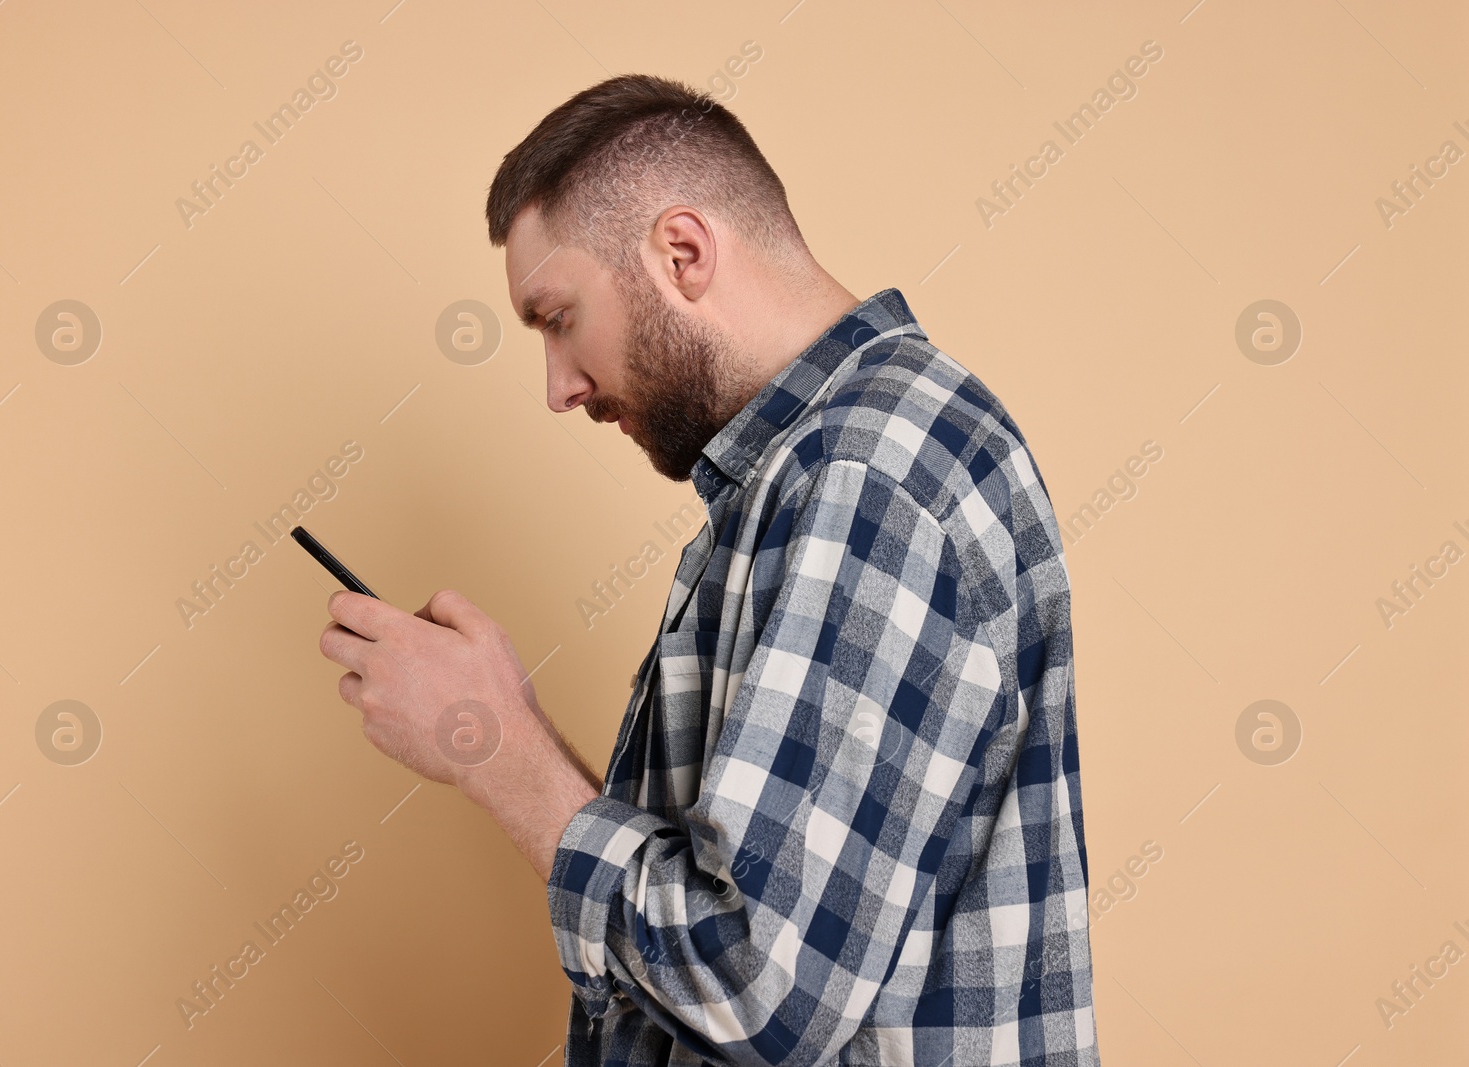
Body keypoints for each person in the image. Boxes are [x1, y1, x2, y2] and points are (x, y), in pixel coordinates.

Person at [318, 73, 1098, 1067]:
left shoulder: (859, 480)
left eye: (556, 317)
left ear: (680, 253)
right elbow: (736, 902)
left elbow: (754, 986)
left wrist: (492, 748)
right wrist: (510, 721)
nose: (558, 386)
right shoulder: (828, 463)